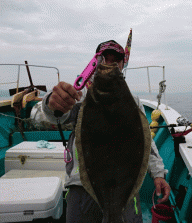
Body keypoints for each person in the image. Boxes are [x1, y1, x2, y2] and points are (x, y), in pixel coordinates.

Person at [38, 40, 171, 223]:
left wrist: (157, 173)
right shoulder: (80, 97)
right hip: (83, 184)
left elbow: (145, 140)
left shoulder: (132, 100)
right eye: (104, 59)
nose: (109, 64)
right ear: (95, 62)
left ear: (122, 64)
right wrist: (52, 104)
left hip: (125, 185)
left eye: (115, 60)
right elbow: (52, 116)